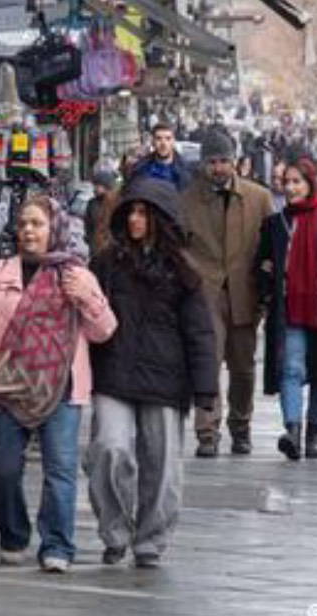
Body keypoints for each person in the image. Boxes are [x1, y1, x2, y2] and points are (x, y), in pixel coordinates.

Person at [0, 194, 117, 573]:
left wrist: (87, 298)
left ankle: (57, 545)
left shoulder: (75, 274)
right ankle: (13, 535)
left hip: (61, 388)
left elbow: (105, 330)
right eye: (23, 223)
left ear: (53, 229)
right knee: (5, 469)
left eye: (37, 224)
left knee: (60, 469)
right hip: (6, 386)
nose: (28, 231)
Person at [86, 177, 218, 567]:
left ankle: (150, 540)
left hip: (165, 379)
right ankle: (114, 531)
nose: (134, 220)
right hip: (114, 372)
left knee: (162, 464)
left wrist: (205, 391)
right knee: (109, 449)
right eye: (131, 211)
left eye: (143, 213)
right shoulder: (106, 263)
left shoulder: (183, 270)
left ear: (159, 218)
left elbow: (200, 332)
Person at [180, 127, 275, 457]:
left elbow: (272, 248)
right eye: (212, 161)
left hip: (245, 292)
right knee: (207, 362)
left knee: (243, 367)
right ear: (203, 164)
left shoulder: (259, 198)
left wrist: (267, 286)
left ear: (235, 162)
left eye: (224, 161)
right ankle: (207, 432)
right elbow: (176, 247)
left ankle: (240, 425)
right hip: (204, 292)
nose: (218, 168)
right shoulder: (187, 199)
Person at [256, 158, 317, 460]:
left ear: (310, 183)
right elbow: (261, 264)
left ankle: (313, 434)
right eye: (286, 182)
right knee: (291, 368)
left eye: (296, 181)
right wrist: (265, 275)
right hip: (289, 308)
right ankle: (293, 431)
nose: (290, 188)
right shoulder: (275, 224)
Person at [131, 123, 192, 192]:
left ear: (173, 141)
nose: (163, 143)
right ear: (153, 142)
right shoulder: (141, 168)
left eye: (168, 139)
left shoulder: (186, 171)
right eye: (158, 139)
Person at [85, 169, 118, 250]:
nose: (95, 188)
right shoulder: (92, 203)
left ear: (107, 186)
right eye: (94, 185)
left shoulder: (116, 203)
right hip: (95, 247)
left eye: (98, 185)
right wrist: (90, 239)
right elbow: (88, 224)